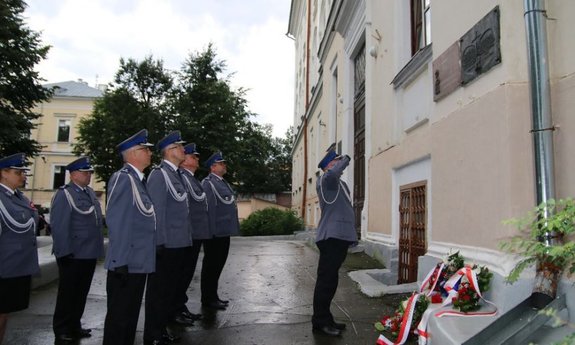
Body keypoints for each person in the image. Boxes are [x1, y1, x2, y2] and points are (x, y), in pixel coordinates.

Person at [103, 129, 156, 345]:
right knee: (120, 319)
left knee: (130, 318)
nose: (150, 153)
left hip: (138, 261)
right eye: (145, 149)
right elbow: (117, 221)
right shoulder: (123, 179)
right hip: (126, 263)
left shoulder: (138, 180)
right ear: (133, 154)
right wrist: (119, 261)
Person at [144, 131, 191, 345]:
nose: (184, 150)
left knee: (169, 291)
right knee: (159, 292)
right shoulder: (159, 175)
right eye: (180, 147)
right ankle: (154, 335)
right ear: (171, 151)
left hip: (179, 243)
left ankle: (161, 330)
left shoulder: (176, 175)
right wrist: (158, 243)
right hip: (167, 245)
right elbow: (157, 212)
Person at [50, 157, 104, 343]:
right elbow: (59, 226)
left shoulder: (89, 192)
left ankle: (74, 325)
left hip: (88, 253)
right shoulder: (65, 194)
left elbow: (95, 223)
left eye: (89, 172)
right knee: (67, 293)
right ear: (73, 175)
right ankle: (62, 328)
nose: (89, 175)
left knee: (81, 292)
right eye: (85, 172)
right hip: (73, 254)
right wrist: (63, 252)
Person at [312, 143, 357, 337]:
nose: (340, 163)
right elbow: (333, 172)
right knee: (326, 281)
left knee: (331, 280)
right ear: (330, 165)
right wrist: (347, 157)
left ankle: (326, 318)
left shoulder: (339, 184)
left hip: (340, 236)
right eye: (336, 160)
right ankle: (320, 322)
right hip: (331, 237)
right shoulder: (327, 180)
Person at [0, 153, 39, 345]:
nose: (23, 176)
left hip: (15, 266)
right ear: (4, 173)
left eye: (24, 172)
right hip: (4, 265)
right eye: (18, 172)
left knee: (4, 313)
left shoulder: (19, 197)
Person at [173, 143, 209, 324]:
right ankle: (175, 310)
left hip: (195, 234)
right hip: (188, 235)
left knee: (186, 274)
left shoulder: (192, 178)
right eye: (193, 156)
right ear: (184, 160)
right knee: (181, 274)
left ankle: (180, 306)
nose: (197, 159)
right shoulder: (182, 177)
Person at [201, 152, 239, 310]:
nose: (224, 165)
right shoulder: (208, 183)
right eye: (221, 163)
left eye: (224, 163)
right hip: (214, 233)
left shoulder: (222, 183)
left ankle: (213, 295)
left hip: (223, 232)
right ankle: (208, 299)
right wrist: (209, 232)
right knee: (211, 266)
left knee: (218, 266)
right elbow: (207, 209)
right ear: (213, 167)